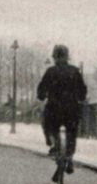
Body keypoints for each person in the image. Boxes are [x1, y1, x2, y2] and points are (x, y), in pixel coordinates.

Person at [37, 44, 88, 176]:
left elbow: (41, 90)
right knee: (72, 132)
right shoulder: (75, 71)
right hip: (71, 109)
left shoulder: (50, 71)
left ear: (54, 57)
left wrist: (42, 96)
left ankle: (54, 145)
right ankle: (69, 156)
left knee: (48, 125)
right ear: (67, 56)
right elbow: (82, 90)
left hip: (54, 108)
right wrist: (80, 98)